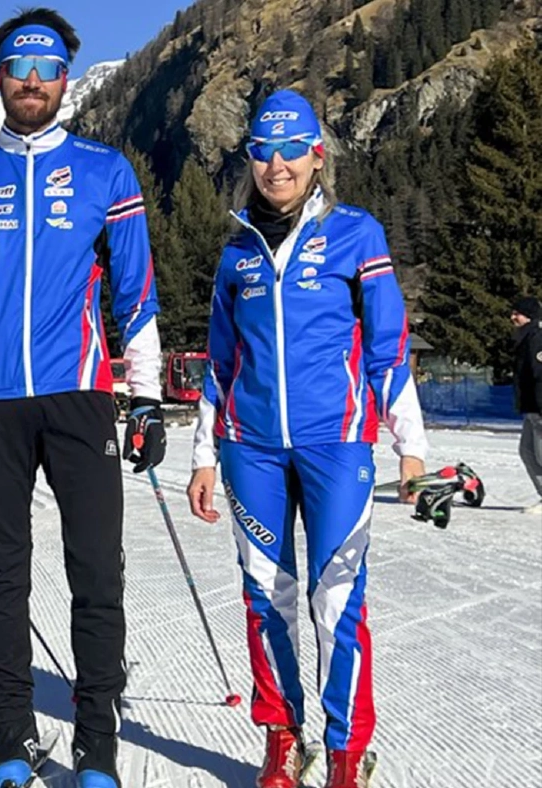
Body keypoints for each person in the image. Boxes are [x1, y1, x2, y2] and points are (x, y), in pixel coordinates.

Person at [0, 8, 164, 787]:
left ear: (66, 82)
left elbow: (135, 292)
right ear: (0, 78)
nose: (33, 81)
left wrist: (144, 397)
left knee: (96, 571)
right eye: (20, 68)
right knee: (3, 572)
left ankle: (96, 739)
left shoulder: (105, 170)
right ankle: (12, 737)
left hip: (81, 395)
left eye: (47, 70)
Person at [185, 89, 428, 788]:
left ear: (317, 156)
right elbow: (221, 365)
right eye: (265, 151)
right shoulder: (238, 254)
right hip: (249, 447)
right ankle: (282, 736)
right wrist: (205, 455)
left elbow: (387, 348)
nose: (278, 164)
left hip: (336, 445)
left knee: (336, 599)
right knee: (266, 596)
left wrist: (409, 445)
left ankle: (346, 751)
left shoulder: (357, 234)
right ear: (251, 160)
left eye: (293, 149)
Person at [511, 295, 542, 514]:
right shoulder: (524, 337)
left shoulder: (536, 338)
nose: (512, 317)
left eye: (517, 313)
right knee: (527, 451)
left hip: (539, 406)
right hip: (531, 407)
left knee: (540, 453)